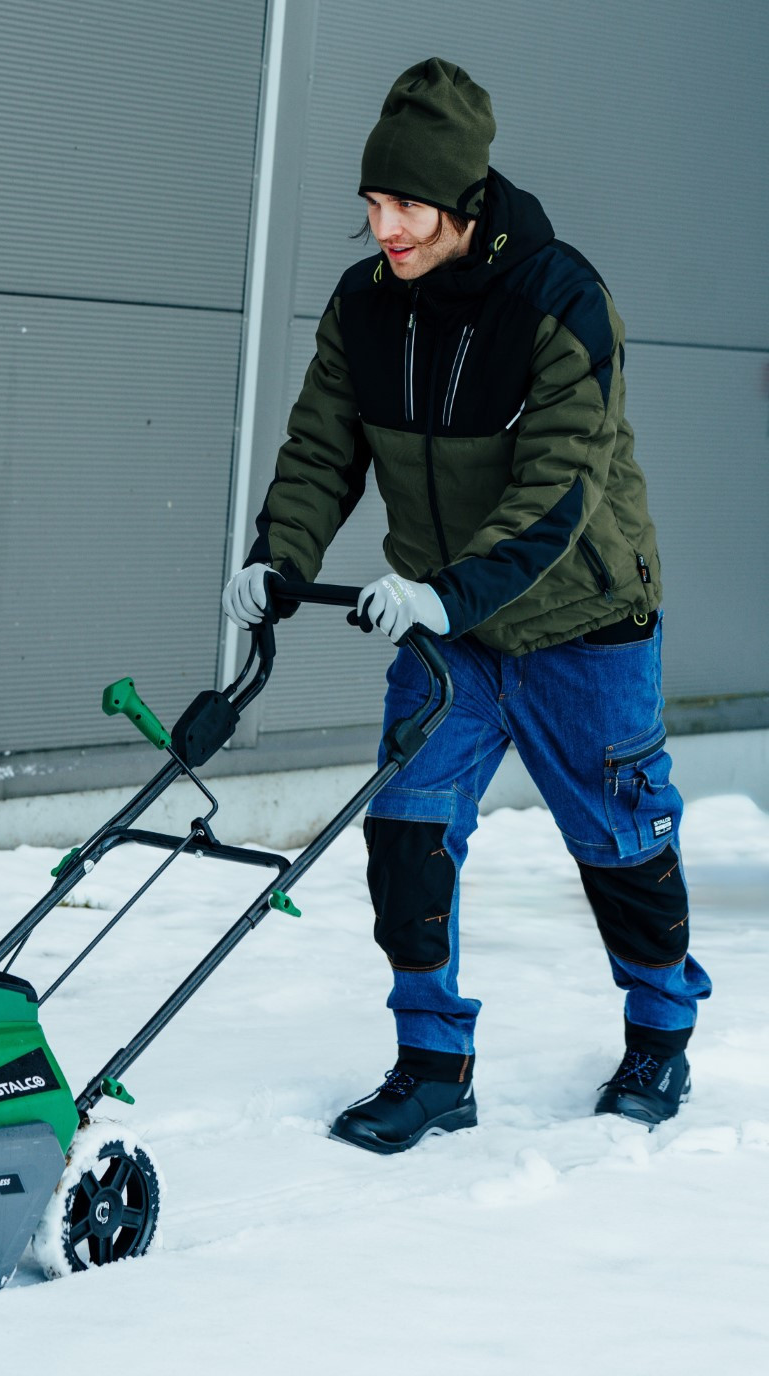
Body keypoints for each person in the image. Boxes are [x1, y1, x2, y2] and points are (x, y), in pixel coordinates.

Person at [222, 58, 710, 1154]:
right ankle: (433, 1065)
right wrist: (275, 558)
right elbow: (319, 452)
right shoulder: (363, 307)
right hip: (450, 638)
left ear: (461, 200)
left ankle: (660, 1032)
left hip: (581, 625)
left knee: (622, 846)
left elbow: (558, 491)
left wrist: (446, 594)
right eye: (370, 204)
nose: (382, 229)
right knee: (406, 838)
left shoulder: (559, 302)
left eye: (403, 206)